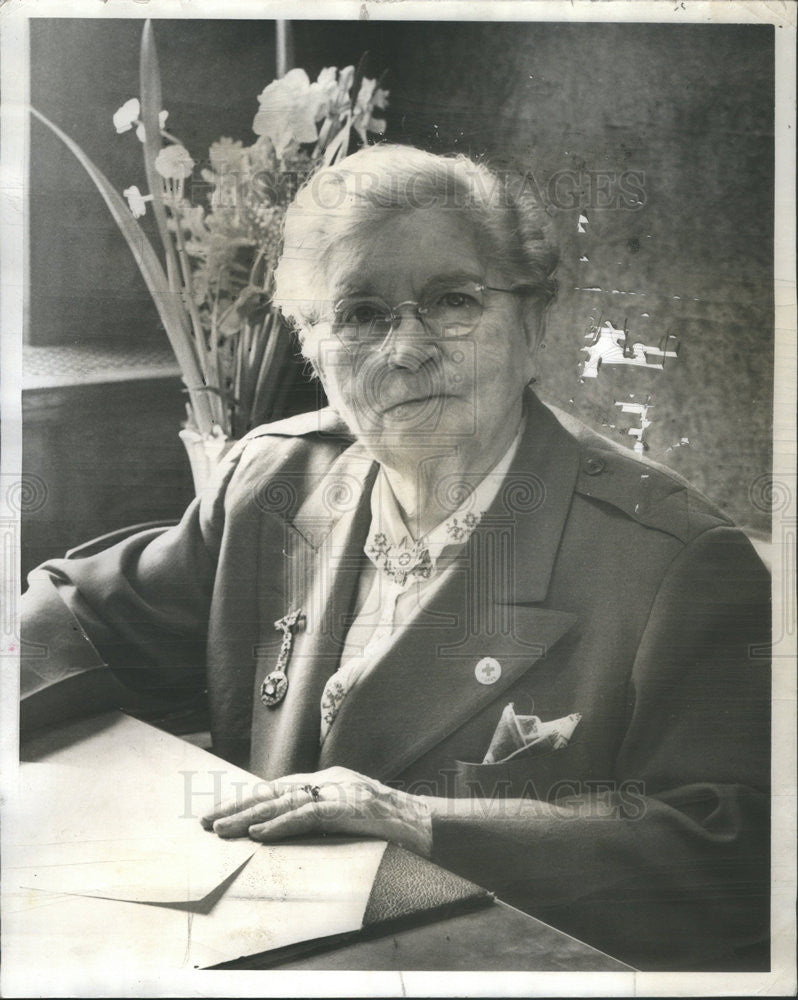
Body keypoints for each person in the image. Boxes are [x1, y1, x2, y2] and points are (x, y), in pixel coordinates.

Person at [20, 144, 770, 972]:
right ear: (313, 348)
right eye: (361, 313)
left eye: (453, 300)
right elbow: (69, 619)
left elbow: (731, 855)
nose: (408, 348)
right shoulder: (274, 482)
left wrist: (420, 822)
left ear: (533, 323)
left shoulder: (675, 561)